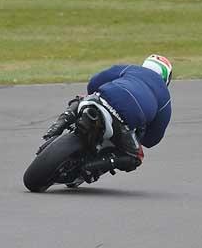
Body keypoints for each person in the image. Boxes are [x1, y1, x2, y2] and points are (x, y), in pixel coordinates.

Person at [43, 54, 172, 179]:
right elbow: (153, 139)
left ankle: (56, 128)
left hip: (102, 99)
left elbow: (94, 82)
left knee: (82, 98)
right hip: (123, 121)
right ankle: (90, 167)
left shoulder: (131, 69)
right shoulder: (165, 97)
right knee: (136, 158)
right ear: (166, 77)